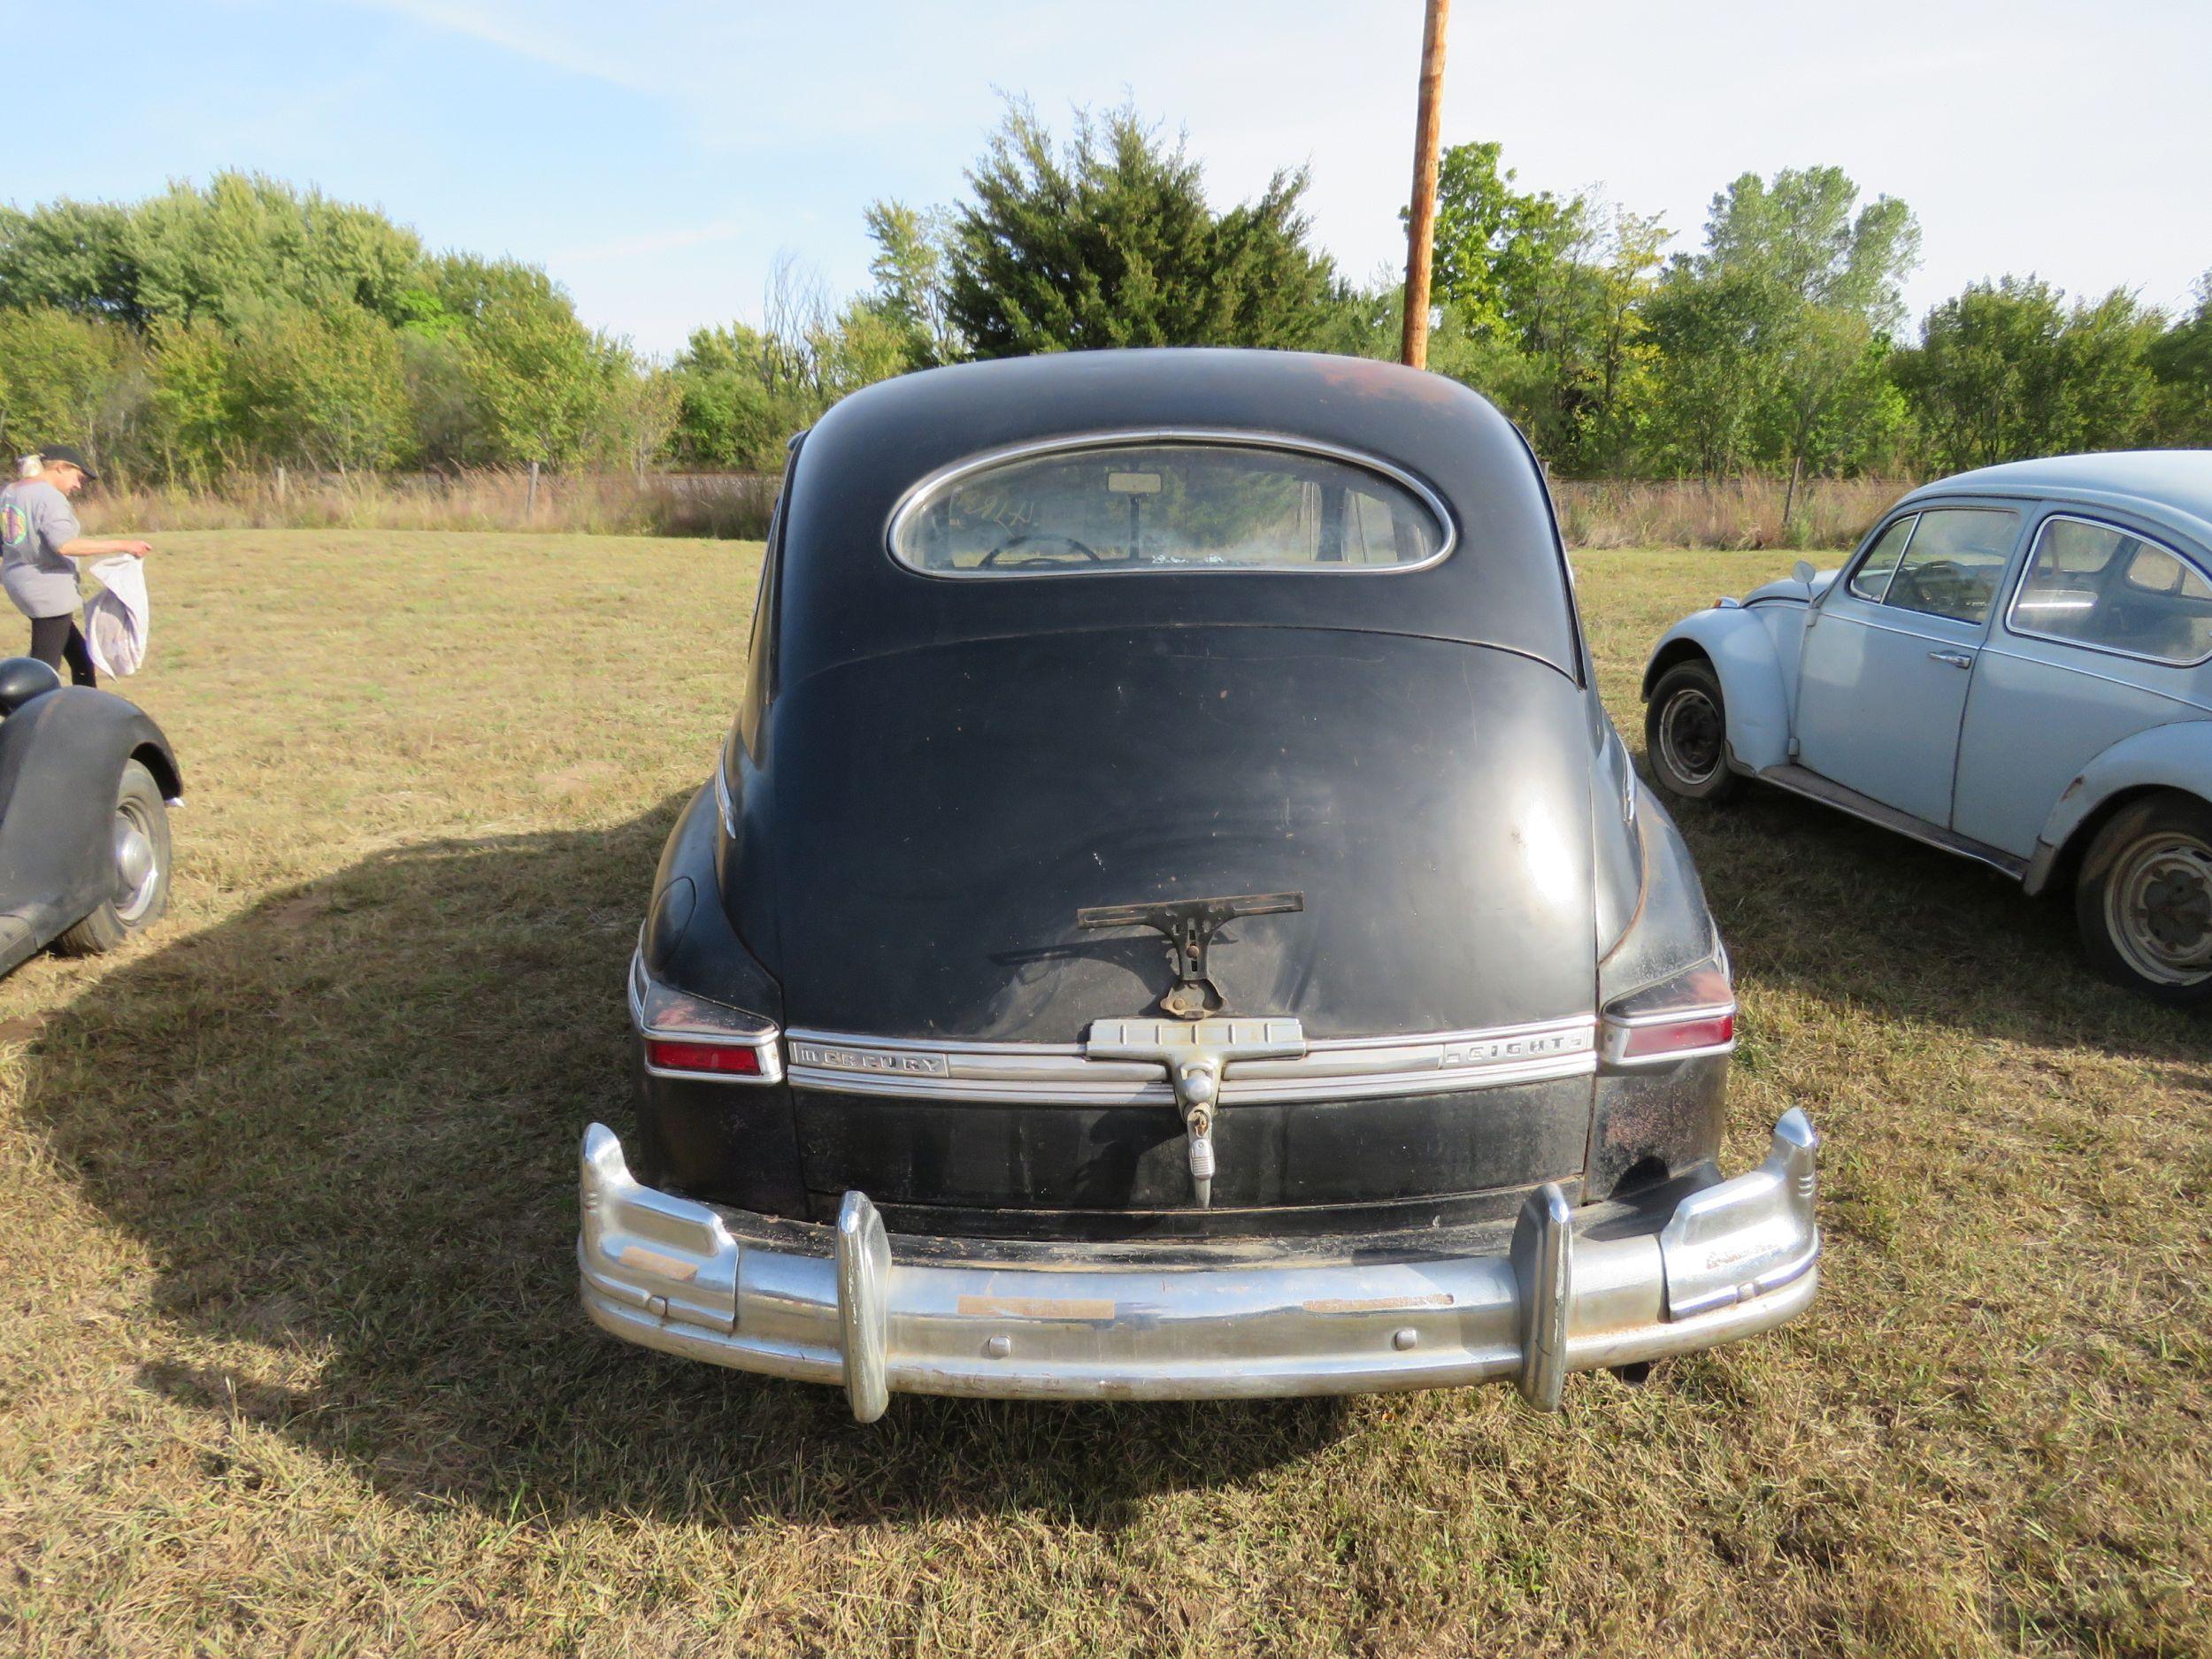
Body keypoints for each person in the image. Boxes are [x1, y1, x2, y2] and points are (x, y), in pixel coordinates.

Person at [0, 444, 151, 687]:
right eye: (78, 477)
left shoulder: (11, 493)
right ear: (60, 468)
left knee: (80, 657)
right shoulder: (49, 497)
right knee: (43, 669)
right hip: (48, 593)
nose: (78, 485)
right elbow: (65, 545)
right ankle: (31, 718)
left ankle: (88, 709)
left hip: (21, 585)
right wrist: (124, 544)